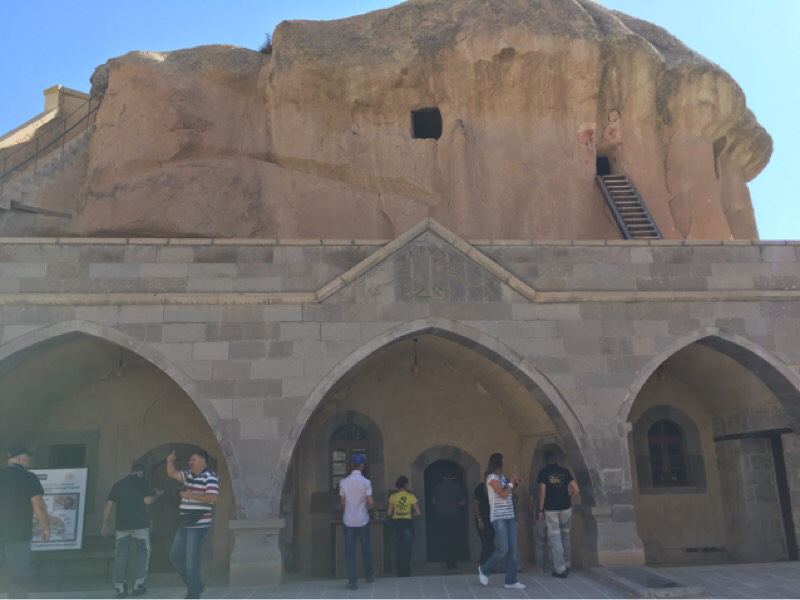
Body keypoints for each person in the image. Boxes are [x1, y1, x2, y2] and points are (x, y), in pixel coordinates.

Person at [102, 462, 162, 599]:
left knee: (120, 555)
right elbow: (147, 501)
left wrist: (104, 524)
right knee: (143, 553)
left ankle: (120, 587)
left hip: (122, 526)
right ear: (141, 473)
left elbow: (108, 505)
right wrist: (157, 495)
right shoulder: (143, 482)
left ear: (131, 471)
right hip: (140, 525)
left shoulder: (118, 484)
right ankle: (138, 585)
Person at [165, 449, 219, 599]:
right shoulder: (188, 475)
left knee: (191, 560)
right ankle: (196, 585)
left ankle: (193, 593)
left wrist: (190, 495)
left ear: (203, 461)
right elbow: (173, 474)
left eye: (193, 460)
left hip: (199, 524)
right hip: (184, 522)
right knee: (175, 556)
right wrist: (169, 461)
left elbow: (213, 497)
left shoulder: (210, 476)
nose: (190, 463)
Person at [0, 446, 49, 599]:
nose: (29, 459)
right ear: (20, 457)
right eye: (28, 456)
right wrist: (45, 527)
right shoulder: (28, 477)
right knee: (18, 574)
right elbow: (38, 505)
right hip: (18, 533)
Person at [477, 453, 525, 590]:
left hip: (510, 516)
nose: (504, 464)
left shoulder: (503, 478)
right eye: (503, 461)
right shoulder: (491, 478)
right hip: (499, 518)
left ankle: (511, 580)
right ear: (499, 463)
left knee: (513, 549)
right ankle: (484, 569)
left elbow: (508, 491)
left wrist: (516, 484)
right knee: (503, 549)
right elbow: (503, 494)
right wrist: (511, 482)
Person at [537, 452, 579, 578]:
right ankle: (567, 564)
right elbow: (576, 489)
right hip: (566, 508)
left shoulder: (543, 472)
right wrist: (569, 498)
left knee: (556, 538)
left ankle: (560, 569)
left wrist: (540, 510)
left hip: (551, 509)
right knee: (565, 536)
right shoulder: (565, 471)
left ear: (546, 461)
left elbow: (542, 493)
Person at [339, 453, 375, 590]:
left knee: (350, 552)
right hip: (362, 519)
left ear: (351, 465)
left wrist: (346, 510)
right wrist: (372, 508)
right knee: (366, 548)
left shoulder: (343, 482)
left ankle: (352, 581)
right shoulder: (366, 482)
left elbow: (342, 502)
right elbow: (370, 502)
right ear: (362, 465)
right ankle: (369, 575)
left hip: (348, 520)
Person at [431, 469, 465, 569]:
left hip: (441, 515)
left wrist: (441, 505)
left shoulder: (438, 487)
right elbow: (462, 502)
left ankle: (443, 558)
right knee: (453, 538)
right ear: (453, 477)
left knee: (443, 537)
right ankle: (451, 561)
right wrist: (454, 504)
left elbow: (433, 500)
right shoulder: (457, 487)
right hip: (454, 516)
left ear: (444, 477)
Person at [387, 475, 420, 577]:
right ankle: (406, 572)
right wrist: (411, 514)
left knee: (398, 548)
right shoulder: (411, 496)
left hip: (396, 523)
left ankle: (399, 572)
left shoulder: (393, 496)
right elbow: (418, 512)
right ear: (406, 485)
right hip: (407, 522)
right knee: (407, 548)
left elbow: (389, 513)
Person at [472, 482, 494, 565]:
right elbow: (475, 504)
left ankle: (486, 565)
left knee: (489, 543)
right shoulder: (480, 488)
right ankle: (484, 565)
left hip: (492, 520)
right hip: (483, 519)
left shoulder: (495, 487)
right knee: (488, 543)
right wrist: (479, 519)